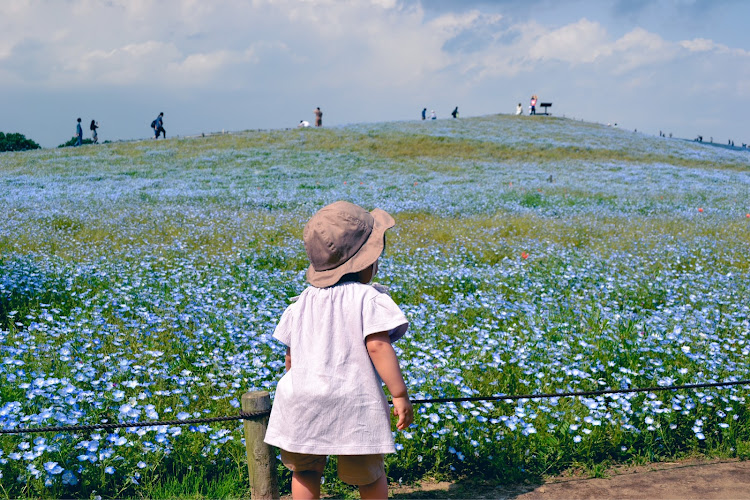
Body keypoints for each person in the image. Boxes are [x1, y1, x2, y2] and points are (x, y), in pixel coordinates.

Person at [264, 200, 413, 500]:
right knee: (369, 475)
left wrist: (303, 385)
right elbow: (378, 346)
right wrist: (398, 394)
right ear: (365, 262)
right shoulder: (367, 299)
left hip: (303, 399)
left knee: (304, 471)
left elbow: (291, 356)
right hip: (354, 402)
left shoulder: (302, 302)